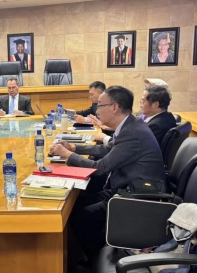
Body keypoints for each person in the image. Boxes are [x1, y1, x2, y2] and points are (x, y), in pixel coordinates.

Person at [49, 86, 165, 262]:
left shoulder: (132, 132)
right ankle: (80, 258)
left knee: (81, 215)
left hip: (136, 197)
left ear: (115, 107)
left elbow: (101, 167)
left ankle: (97, 261)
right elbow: (106, 149)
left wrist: (67, 155)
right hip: (124, 188)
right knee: (75, 204)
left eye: (100, 106)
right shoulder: (129, 125)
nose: (97, 111)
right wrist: (74, 148)